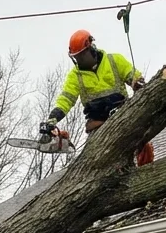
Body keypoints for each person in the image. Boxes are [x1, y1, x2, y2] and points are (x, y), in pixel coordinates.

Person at [39, 29, 154, 165]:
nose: (80, 60)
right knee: (95, 160)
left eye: (82, 56)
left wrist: (137, 83)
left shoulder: (114, 60)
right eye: (77, 57)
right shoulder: (75, 75)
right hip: (97, 125)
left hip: (123, 116)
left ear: (91, 48)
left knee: (143, 147)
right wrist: (52, 119)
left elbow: (133, 76)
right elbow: (66, 99)